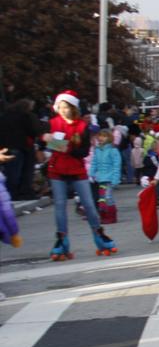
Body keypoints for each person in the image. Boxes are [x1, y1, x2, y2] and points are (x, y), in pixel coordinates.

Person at [42, 90, 116, 259]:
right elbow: (43, 143)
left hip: (76, 170)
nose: (62, 110)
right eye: (60, 107)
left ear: (73, 107)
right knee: (60, 207)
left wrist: (59, 144)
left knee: (89, 205)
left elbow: (82, 152)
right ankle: (61, 240)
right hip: (57, 170)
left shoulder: (82, 127)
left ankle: (100, 236)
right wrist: (52, 143)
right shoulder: (52, 124)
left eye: (66, 107)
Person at [88, 128, 121, 225]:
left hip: (109, 178)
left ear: (109, 138)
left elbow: (116, 165)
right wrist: (91, 174)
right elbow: (94, 163)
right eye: (100, 136)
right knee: (101, 198)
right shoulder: (97, 150)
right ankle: (104, 216)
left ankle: (111, 215)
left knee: (108, 197)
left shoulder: (113, 150)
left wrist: (115, 179)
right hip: (100, 178)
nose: (101, 138)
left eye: (104, 136)